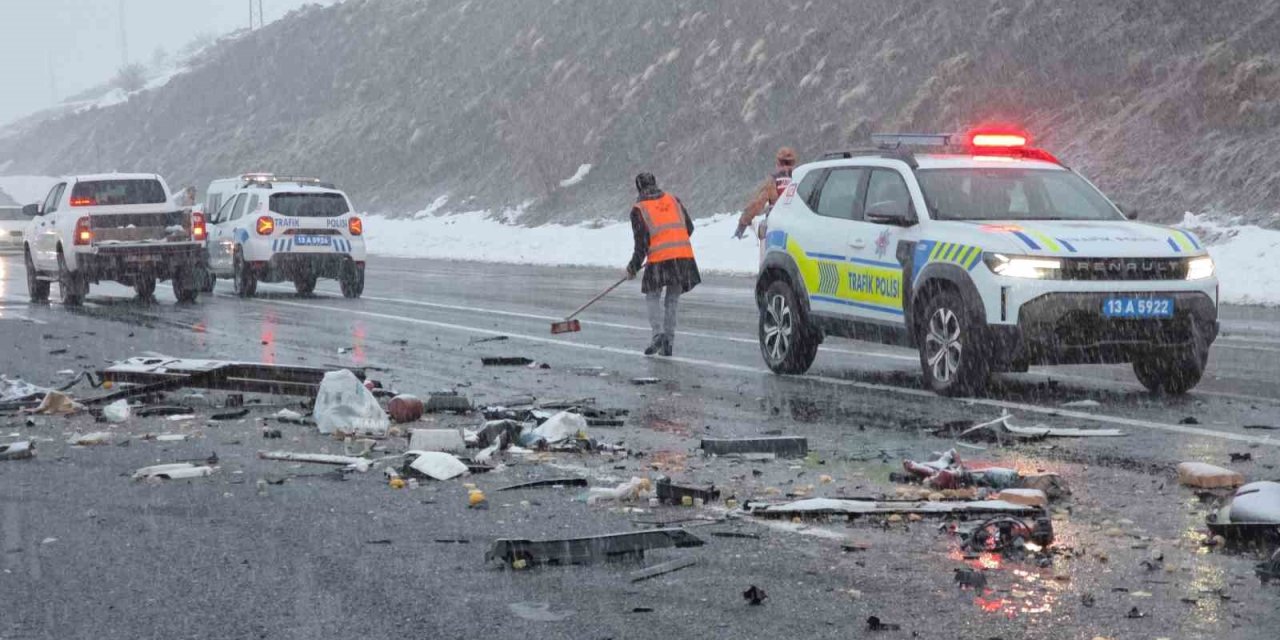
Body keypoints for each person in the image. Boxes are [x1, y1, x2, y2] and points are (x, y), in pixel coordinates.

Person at [625, 173, 700, 357]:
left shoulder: (639, 209)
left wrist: (633, 267)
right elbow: (689, 227)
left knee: (652, 295)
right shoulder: (673, 200)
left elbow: (641, 245)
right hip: (682, 257)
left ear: (639, 188)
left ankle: (658, 334)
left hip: (660, 259)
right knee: (672, 300)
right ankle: (669, 341)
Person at [734, 146, 798, 241]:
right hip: (798, 230)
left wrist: (741, 227)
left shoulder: (772, 182)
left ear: (777, 163)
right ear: (794, 163)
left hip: (777, 230)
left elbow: (756, 205)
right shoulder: (801, 179)